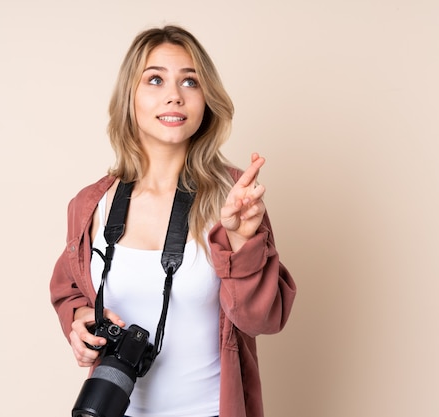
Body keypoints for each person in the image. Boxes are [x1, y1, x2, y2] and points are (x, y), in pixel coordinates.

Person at [50, 25, 297, 417]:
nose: (174, 95)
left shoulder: (232, 198)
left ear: (206, 100)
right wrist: (79, 319)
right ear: (129, 97)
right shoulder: (91, 205)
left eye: (190, 81)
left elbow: (264, 319)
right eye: (154, 79)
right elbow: (70, 291)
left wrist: (240, 241)